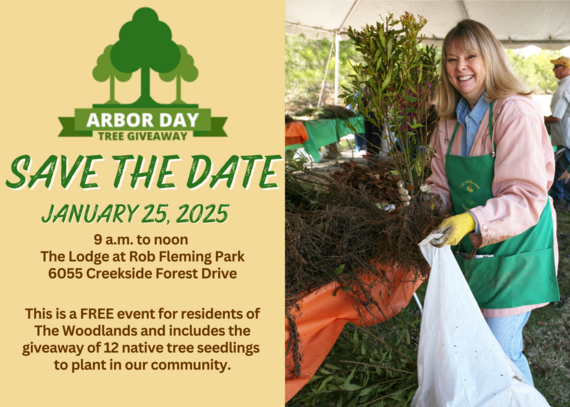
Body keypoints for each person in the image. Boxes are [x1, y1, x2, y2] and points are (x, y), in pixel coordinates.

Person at [426, 19, 560, 385]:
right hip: (472, 252)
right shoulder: (447, 123)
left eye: (471, 56)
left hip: (517, 249)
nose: (460, 67)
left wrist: (469, 221)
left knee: (501, 351)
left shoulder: (513, 113)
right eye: (451, 59)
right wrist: (425, 210)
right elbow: (440, 184)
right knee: (475, 344)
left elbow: (526, 195)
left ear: (491, 59)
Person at [546, 56, 570, 209]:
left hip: (565, 138)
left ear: (566, 69)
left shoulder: (564, 89)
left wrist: (537, 119)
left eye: (556, 66)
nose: (553, 69)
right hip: (566, 136)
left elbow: (556, 117)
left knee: (563, 171)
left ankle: (561, 200)